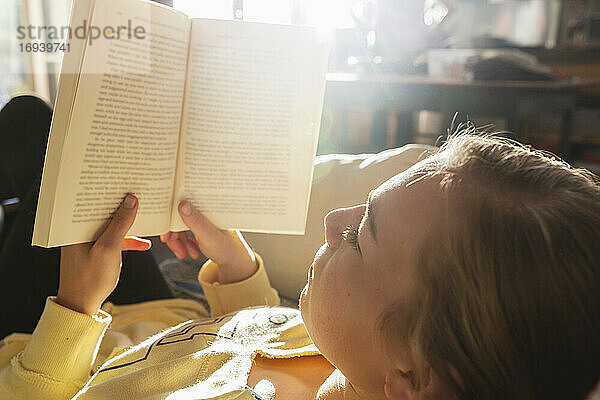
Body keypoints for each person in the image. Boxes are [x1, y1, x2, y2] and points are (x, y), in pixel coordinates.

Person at [0, 97, 599, 399]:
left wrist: (75, 307)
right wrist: (234, 267)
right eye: (362, 206)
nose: (334, 220)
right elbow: (270, 327)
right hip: (159, 314)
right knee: (39, 126)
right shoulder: (352, 345)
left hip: (44, 352)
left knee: (37, 148)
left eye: (362, 237)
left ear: (418, 381)